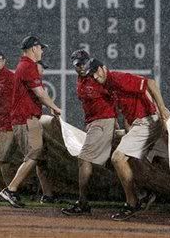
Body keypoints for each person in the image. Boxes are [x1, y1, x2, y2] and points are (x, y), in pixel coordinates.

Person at [85, 58, 170, 221]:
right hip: (142, 123)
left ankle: (133, 202)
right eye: (91, 75)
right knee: (164, 162)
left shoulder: (116, 78)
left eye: (96, 71)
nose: (95, 77)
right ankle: (147, 194)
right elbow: (127, 109)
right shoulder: (109, 85)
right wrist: (128, 130)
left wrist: (162, 111)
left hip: (147, 122)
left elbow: (150, 83)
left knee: (118, 158)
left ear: (104, 68)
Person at [0, 35, 61, 208]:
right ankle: (10, 189)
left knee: (39, 157)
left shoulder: (24, 65)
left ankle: (47, 195)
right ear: (34, 48)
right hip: (25, 118)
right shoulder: (28, 66)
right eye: (40, 48)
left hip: (27, 118)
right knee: (34, 154)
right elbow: (40, 93)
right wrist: (55, 107)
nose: (41, 51)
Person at [61, 50, 117, 216]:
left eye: (83, 63)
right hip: (94, 123)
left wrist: (116, 117)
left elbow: (115, 94)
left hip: (103, 121)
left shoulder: (98, 76)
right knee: (110, 162)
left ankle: (83, 202)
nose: (81, 66)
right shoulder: (81, 79)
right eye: (77, 64)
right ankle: (140, 192)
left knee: (84, 158)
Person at [0, 48, 20, 192]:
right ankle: (11, 189)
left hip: (10, 123)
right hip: (3, 122)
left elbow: (18, 99)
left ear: (4, 61)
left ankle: (11, 191)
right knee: (2, 159)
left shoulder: (9, 77)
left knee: (2, 159)